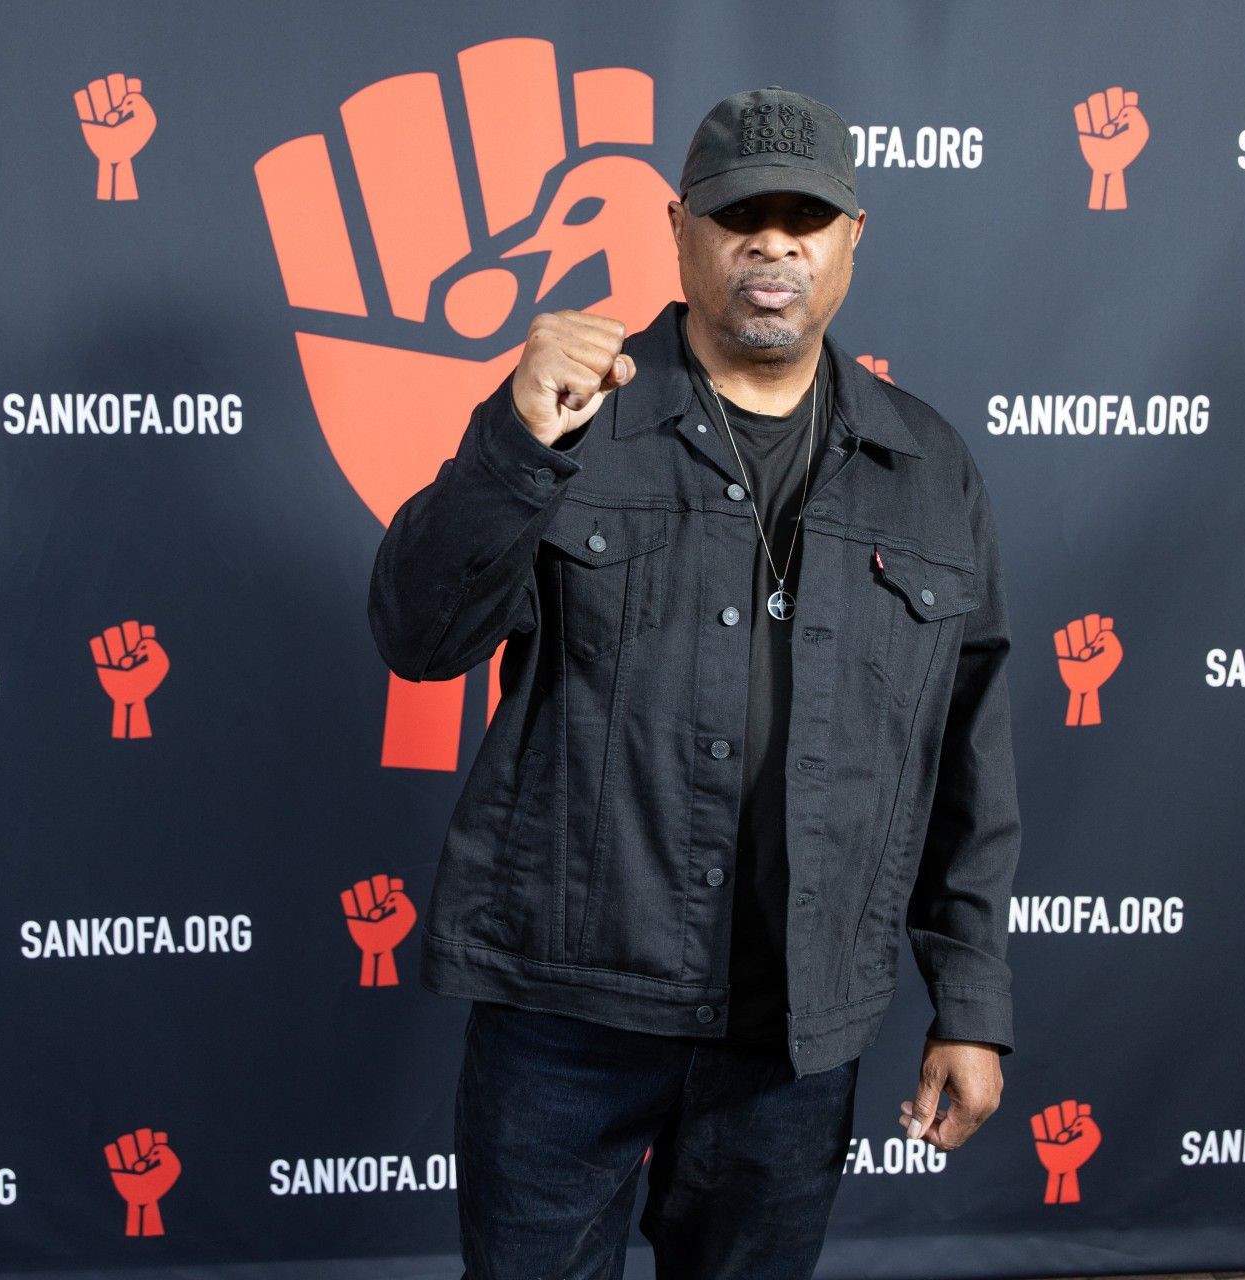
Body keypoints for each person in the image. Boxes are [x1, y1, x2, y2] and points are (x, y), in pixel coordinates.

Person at [368, 85, 1020, 1278]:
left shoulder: (928, 468)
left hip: (792, 1034)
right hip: (568, 1009)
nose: (773, 243)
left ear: (851, 240)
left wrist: (970, 999)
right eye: (738, 215)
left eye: (805, 218)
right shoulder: (572, 417)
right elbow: (419, 635)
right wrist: (513, 440)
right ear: (679, 229)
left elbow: (968, 754)